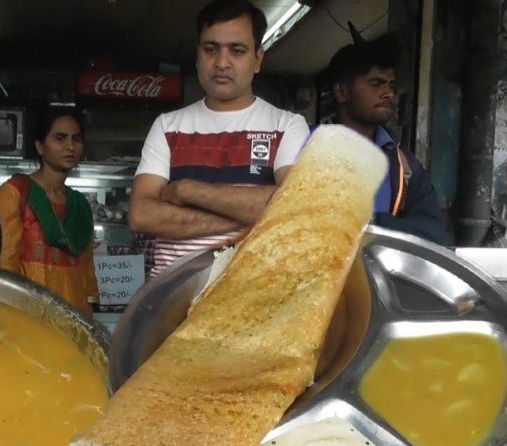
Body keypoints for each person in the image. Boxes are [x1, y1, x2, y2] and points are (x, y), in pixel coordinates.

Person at [128, 0, 310, 278]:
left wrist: (186, 191)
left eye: (237, 50)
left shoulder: (287, 126)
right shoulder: (167, 126)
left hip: (254, 298)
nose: (222, 62)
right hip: (171, 302)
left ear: (257, 59)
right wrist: (244, 214)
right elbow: (142, 215)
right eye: (211, 49)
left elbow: (295, 204)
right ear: (198, 55)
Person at [324, 32, 450, 245]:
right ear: (341, 92)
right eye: (376, 83)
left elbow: (435, 233)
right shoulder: (301, 147)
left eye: (391, 85)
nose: (388, 93)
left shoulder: (402, 163)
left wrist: (368, 223)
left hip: (380, 275)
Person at [0, 109, 98, 317]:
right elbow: (3, 266)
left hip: (74, 321)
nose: (70, 146)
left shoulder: (79, 204)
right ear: (40, 146)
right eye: (59, 138)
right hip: (27, 318)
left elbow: (87, 274)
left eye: (76, 139)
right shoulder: (15, 193)